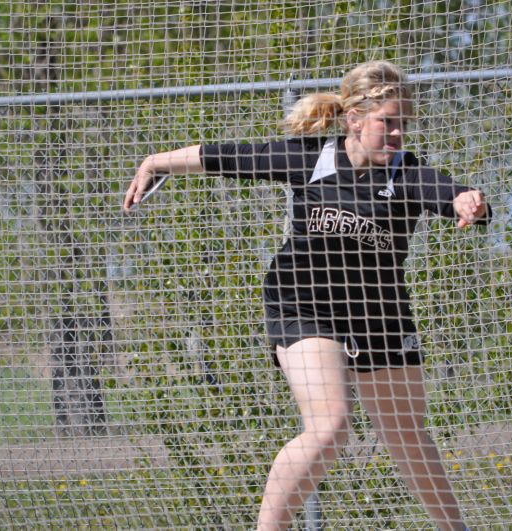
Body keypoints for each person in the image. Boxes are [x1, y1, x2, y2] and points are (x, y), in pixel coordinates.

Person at [124, 60, 489, 531]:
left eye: (403, 123)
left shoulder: (408, 173)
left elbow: (450, 192)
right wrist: (155, 162)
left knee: (409, 437)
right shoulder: (311, 158)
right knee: (331, 426)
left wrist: (468, 201)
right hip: (304, 305)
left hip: (378, 316)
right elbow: (230, 157)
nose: (398, 133)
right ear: (354, 119)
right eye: (387, 122)